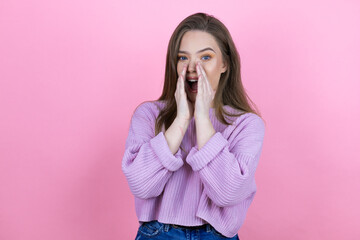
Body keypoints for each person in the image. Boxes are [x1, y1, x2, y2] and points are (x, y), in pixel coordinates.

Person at [122, 12, 265, 240]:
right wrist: (180, 119)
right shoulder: (148, 115)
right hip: (158, 233)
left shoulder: (246, 124)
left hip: (217, 235)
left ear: (224, 64)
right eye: (182, 58)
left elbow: (228, 193)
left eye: (205, 57)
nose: (192, 67)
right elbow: (141, 186)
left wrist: (203, 118)